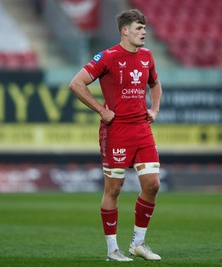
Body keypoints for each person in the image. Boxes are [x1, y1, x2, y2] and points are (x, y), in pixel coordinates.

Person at [69, 9, 162, 261]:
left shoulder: (147, 56)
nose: (144, 32)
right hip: (116, 131)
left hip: (142, 129)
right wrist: (101, 110)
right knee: (114, 189)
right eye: (139, 28)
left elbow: (154, 83)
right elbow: (76, 83)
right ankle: (112, 250)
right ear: (125, 31)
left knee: (152, 184)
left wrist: (154, 108)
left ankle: (138, 243)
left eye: (144, 28)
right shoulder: (108, 57)